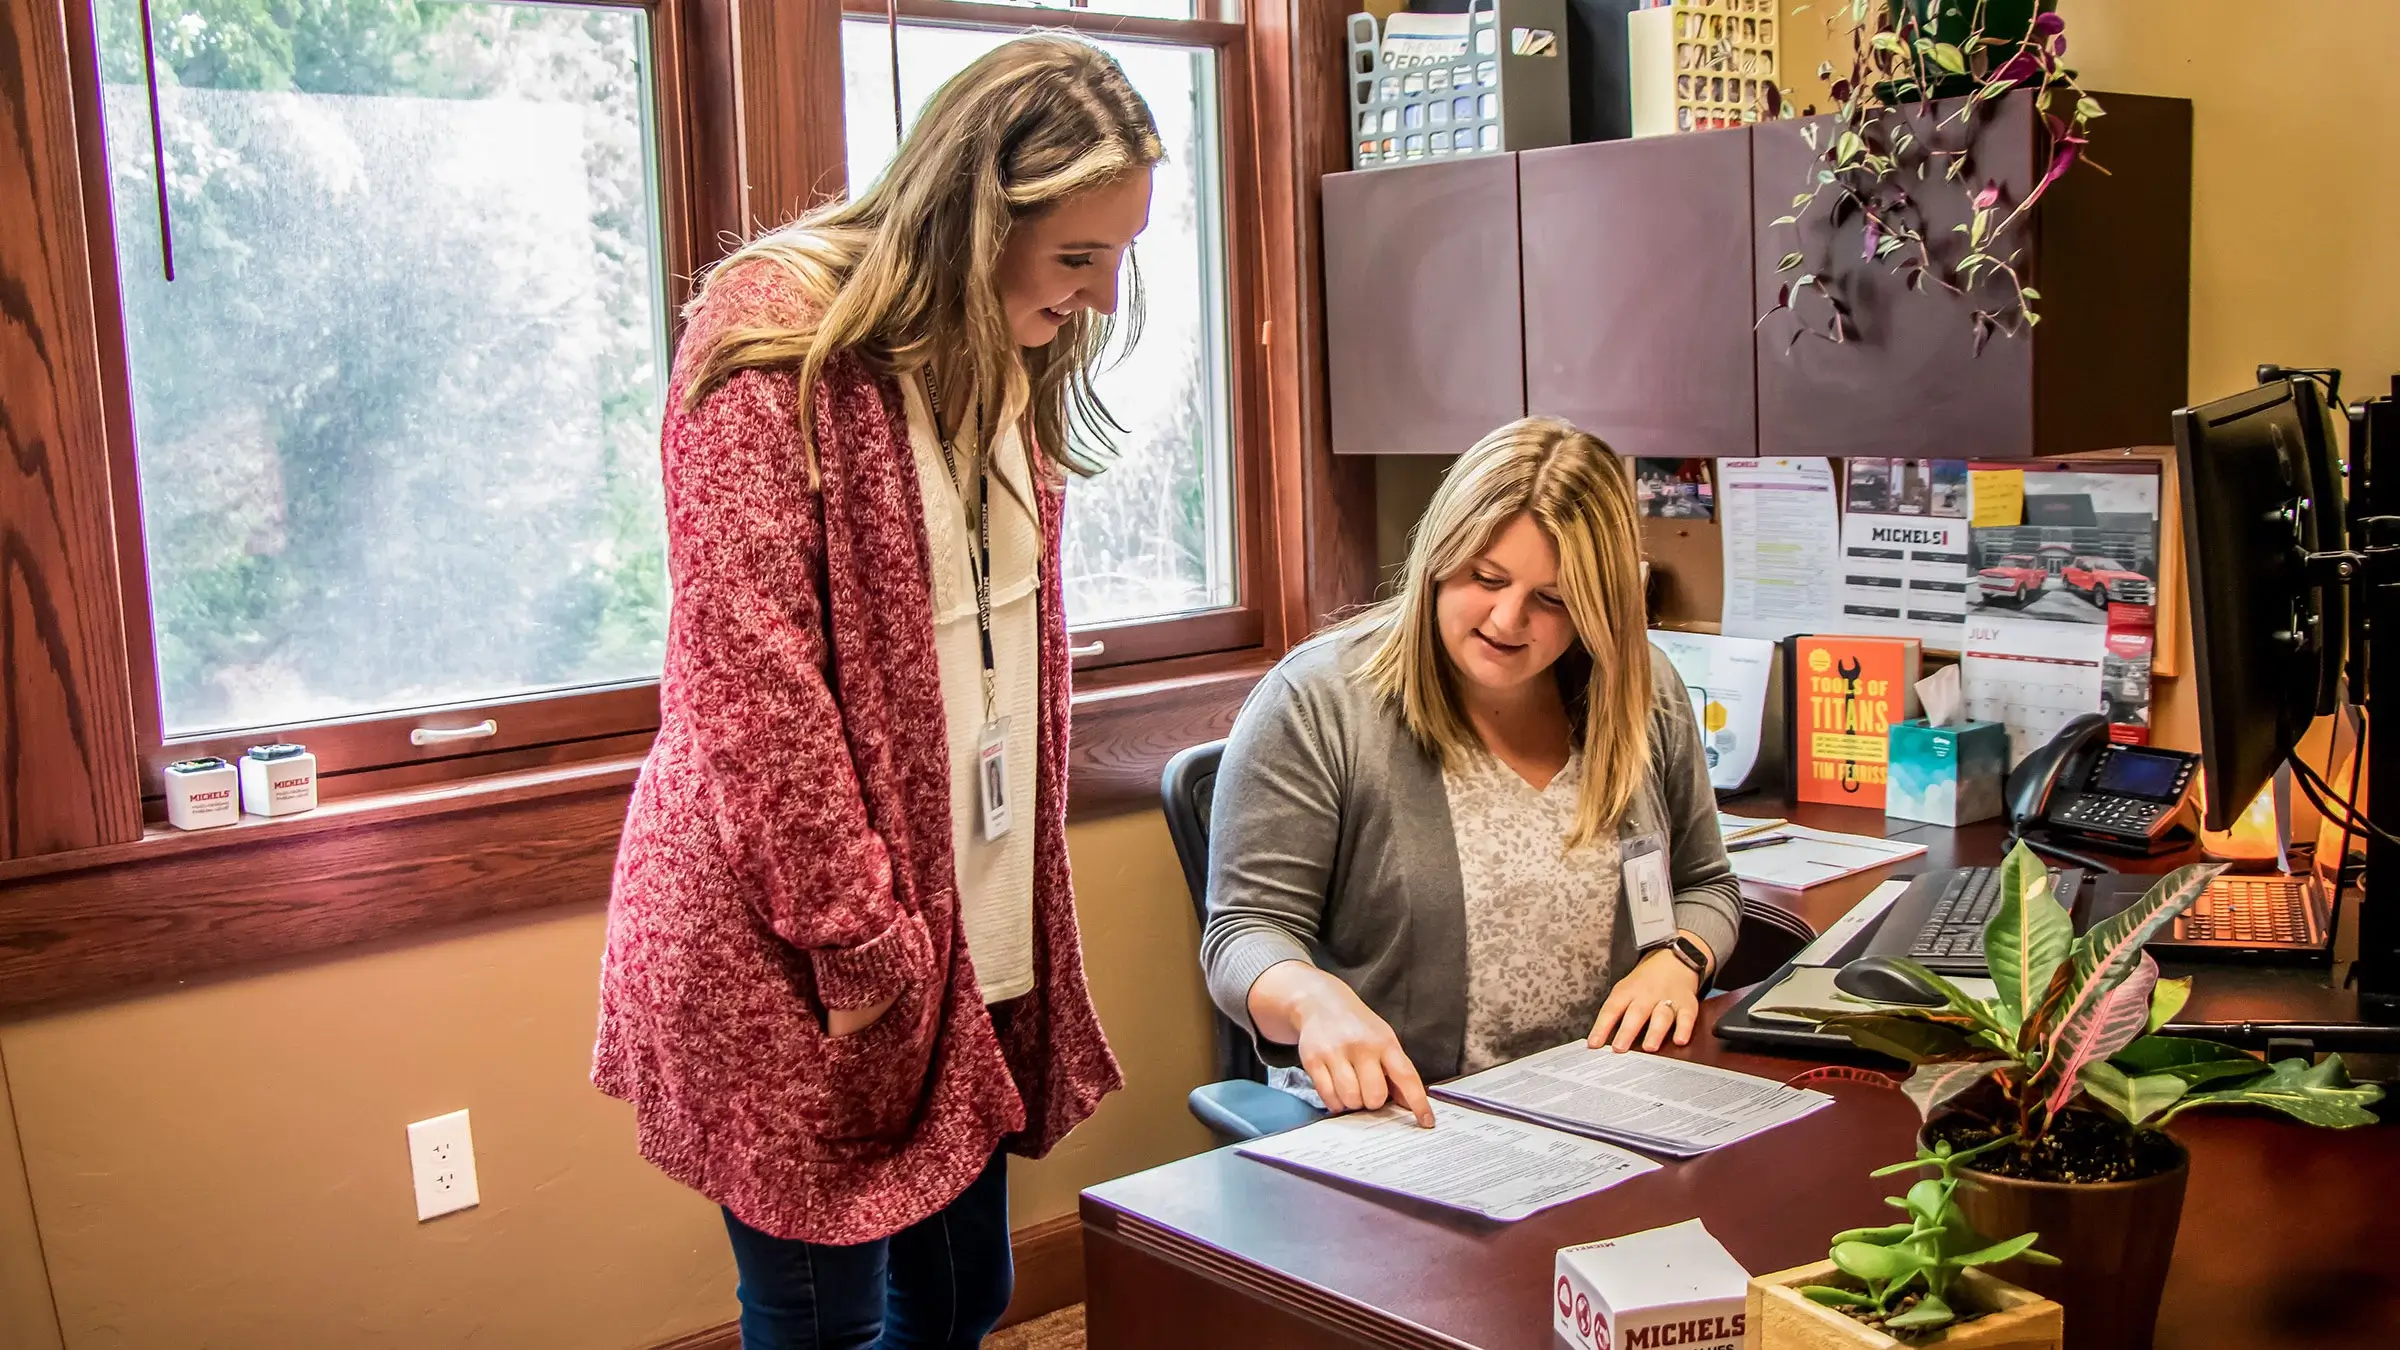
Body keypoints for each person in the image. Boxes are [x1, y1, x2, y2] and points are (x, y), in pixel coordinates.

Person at [592, 38, 1161, 1350]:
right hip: (793, 934)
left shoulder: (1000, 356)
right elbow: (750, 674)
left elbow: (988, 648)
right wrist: (854, 943)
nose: (1099, 293)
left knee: (966, 1291)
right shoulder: (773, 340)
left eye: (1118, 253)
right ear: (974, 217)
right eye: (1076, 255)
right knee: (820, 1316)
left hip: (961, 910)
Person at [1199, 417, 1740, 1124]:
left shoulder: (1639, 691)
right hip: (1404, 1115)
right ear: (1439, 555)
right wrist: (1311, 998)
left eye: (1553, 599)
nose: (1509, 619)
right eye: (1486, 578)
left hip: (1607, 1102)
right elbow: (1244, 931)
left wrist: (1681, 960)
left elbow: (1708, 885)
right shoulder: (1318, 704)